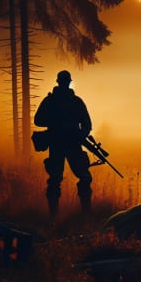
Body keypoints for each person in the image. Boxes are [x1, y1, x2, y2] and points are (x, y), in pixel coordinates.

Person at [34, 70, 93, 219]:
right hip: (58, 144)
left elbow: (87, 125)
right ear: (62, 82)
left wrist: (79, 135)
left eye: (66, 81)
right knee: (56, 179)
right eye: (65, 81)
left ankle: (85, 214)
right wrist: (57, 123)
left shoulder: (72, 101)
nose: (65, 84)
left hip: (70, 144)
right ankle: (54, 216)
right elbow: (38, 120)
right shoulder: (55, 101)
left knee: (83, 177)